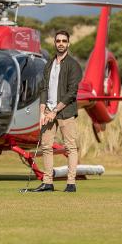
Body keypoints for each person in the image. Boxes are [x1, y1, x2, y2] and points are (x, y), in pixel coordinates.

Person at [32, 30, 82, 192]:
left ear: (68, 43)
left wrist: (54, 111)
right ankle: (48, 183)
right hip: (48, 111)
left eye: (64, 41)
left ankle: (71, 183)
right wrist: (42, 111)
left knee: (70, 147)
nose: (61, 43)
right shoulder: (49, 64)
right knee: (46, 146)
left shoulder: (73, 65)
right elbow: (43, 88)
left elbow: (71, 92)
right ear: (55, 43)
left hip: (65, 112)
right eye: (58, 41)